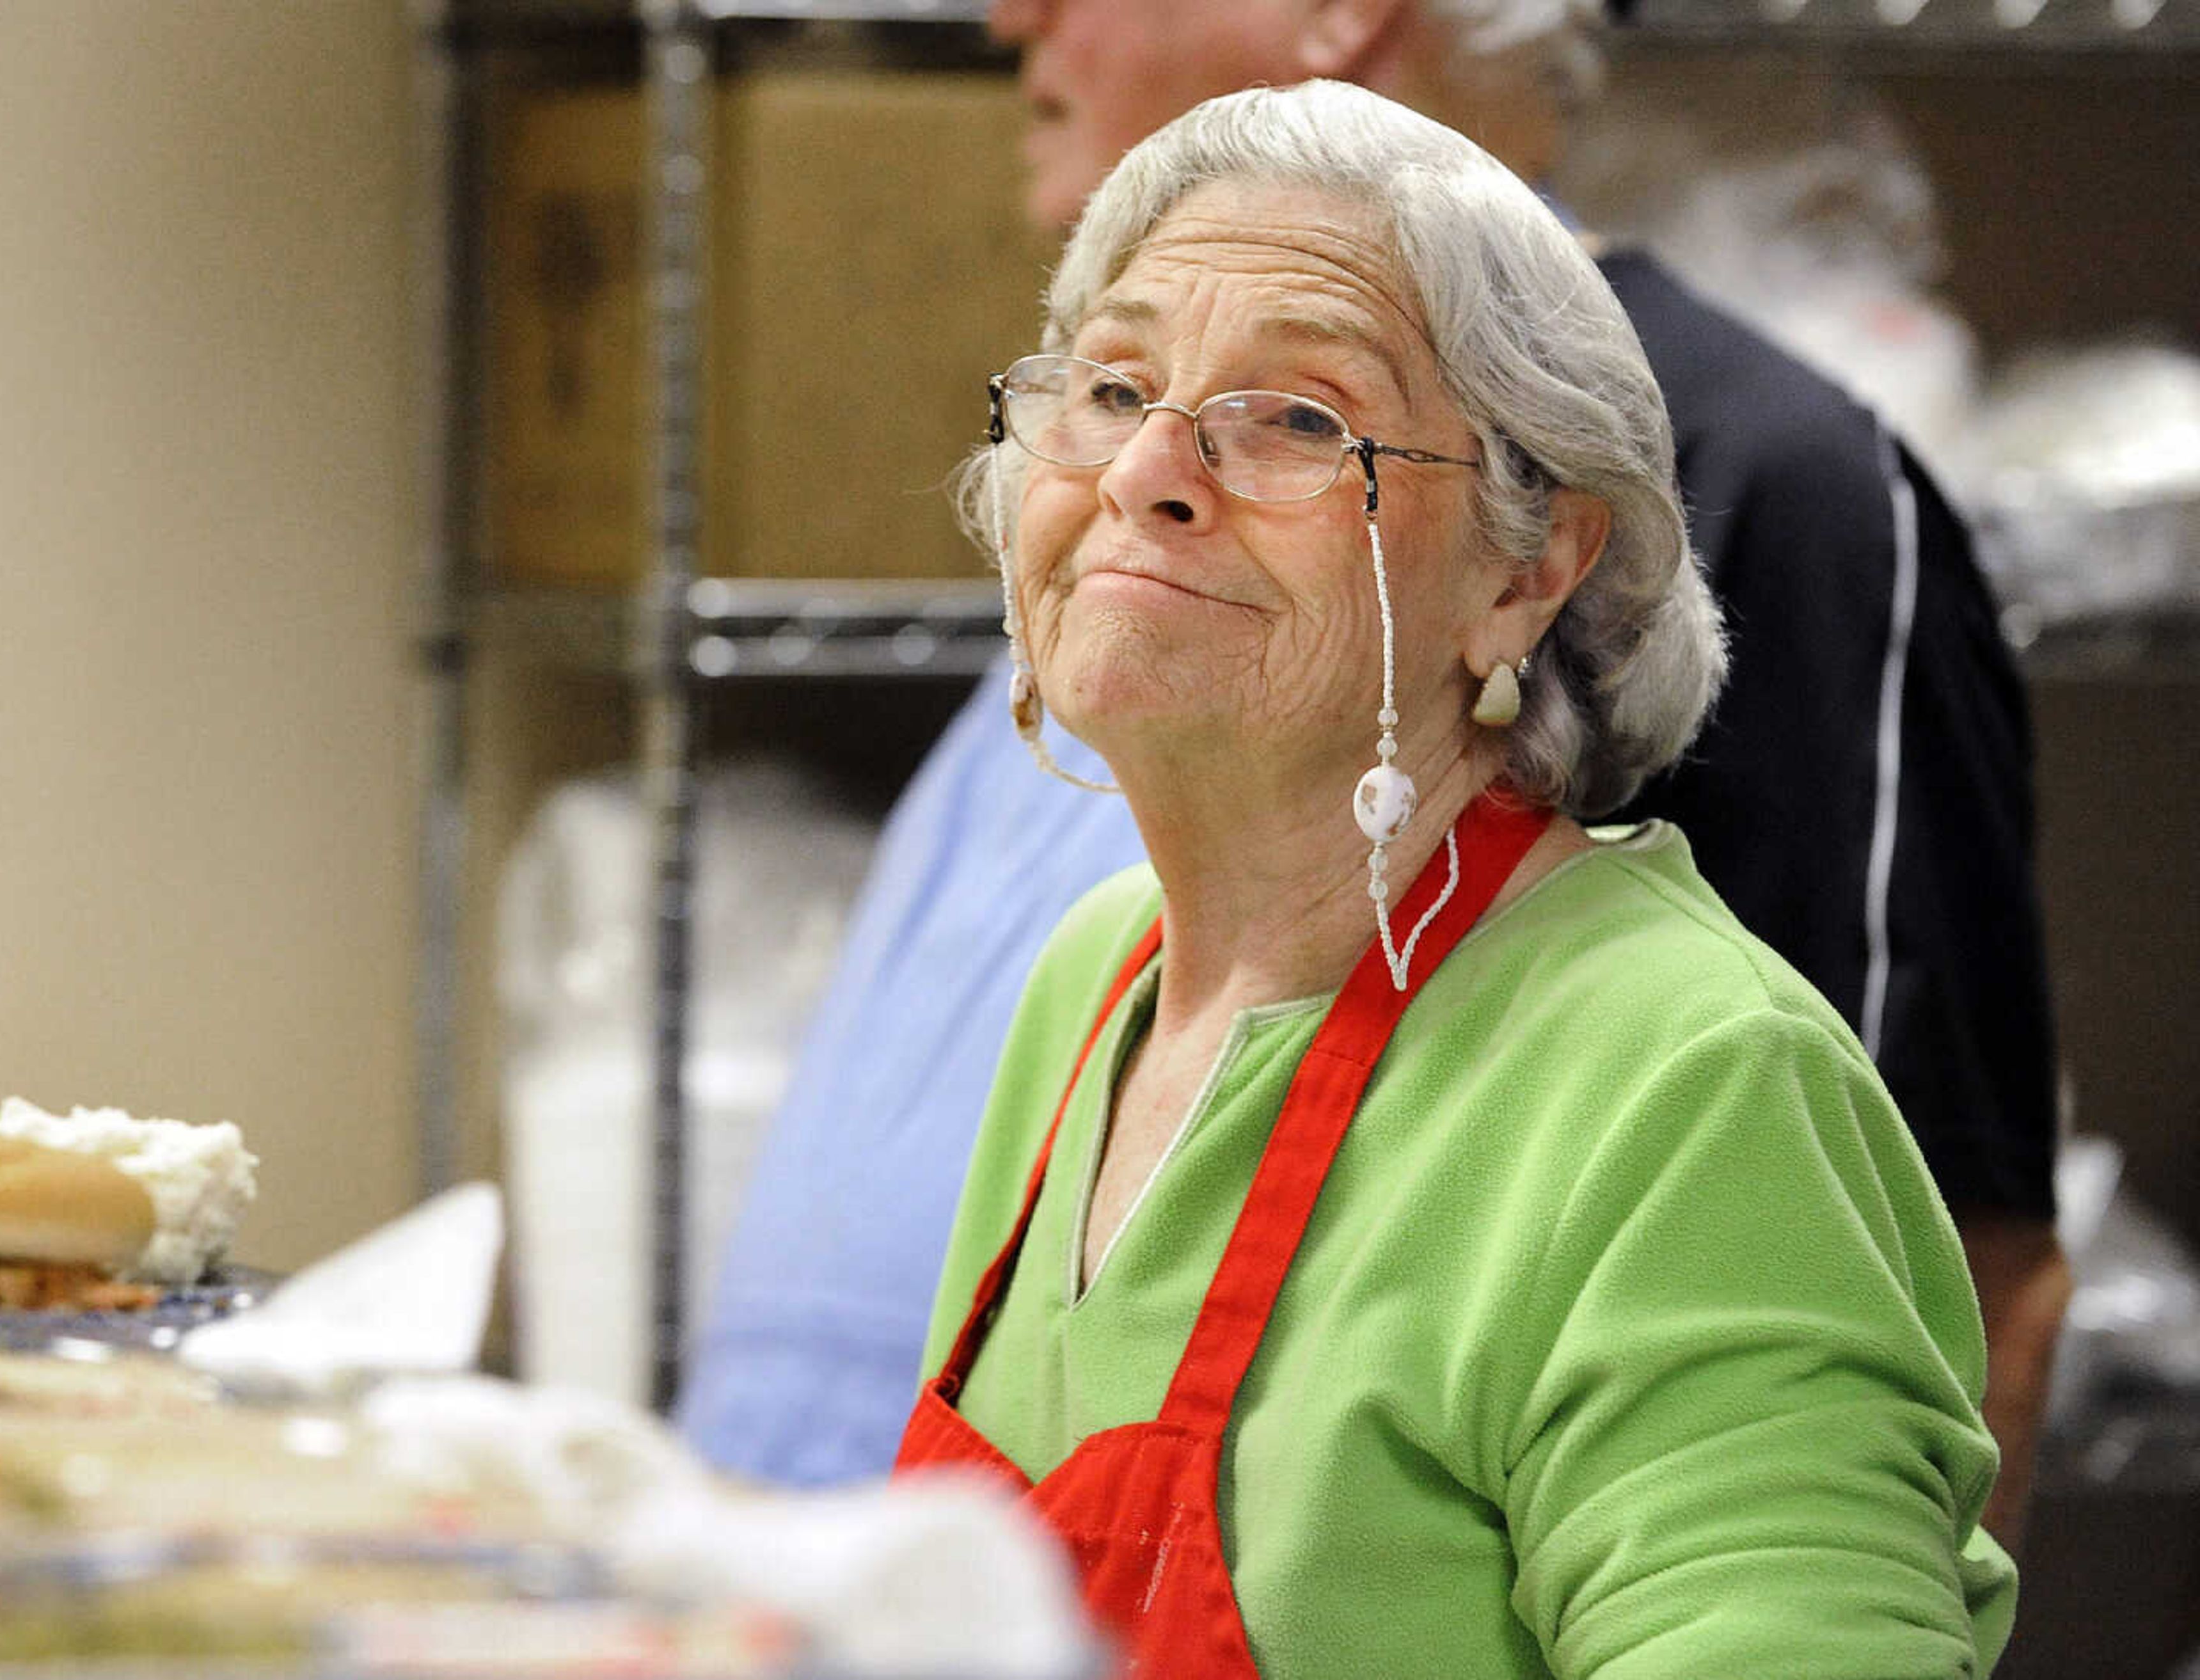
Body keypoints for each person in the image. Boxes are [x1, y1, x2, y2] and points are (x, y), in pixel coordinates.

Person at [681, 0, 2067, 1546]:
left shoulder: (1773, 491)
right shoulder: (1097, 958)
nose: (1011, 14)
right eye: (1113, 387)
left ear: (1534, 569)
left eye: (1297, 417)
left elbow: (1919, 1288)